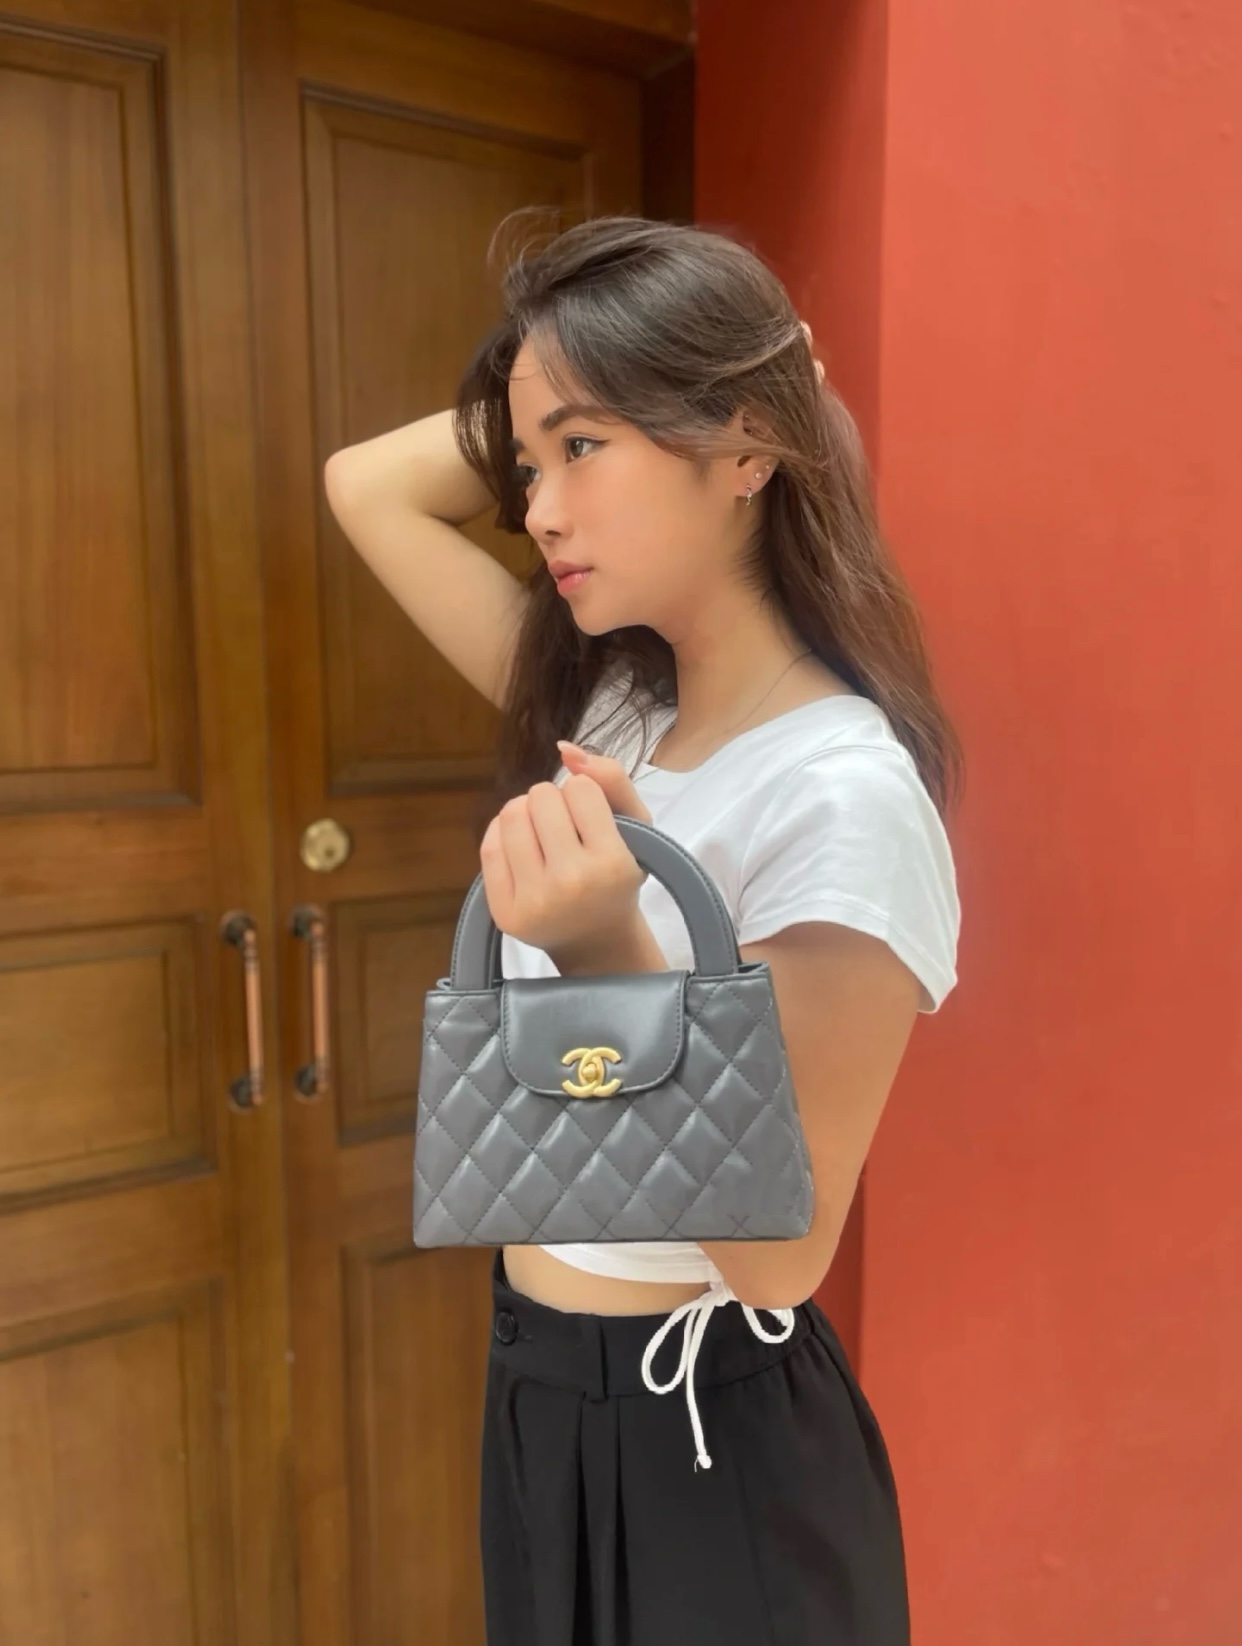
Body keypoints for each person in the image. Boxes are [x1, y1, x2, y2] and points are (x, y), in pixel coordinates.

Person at [325, 211, 962, 1646]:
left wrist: (610, 951)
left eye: (582, 448)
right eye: (526, 463)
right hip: (538, 1387)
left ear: (744, 450)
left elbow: (778, 1258)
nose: (538, 510)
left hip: (706, 1440)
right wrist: (608, 378)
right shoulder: (616, 712)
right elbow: (365, 486)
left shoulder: (842, 793)